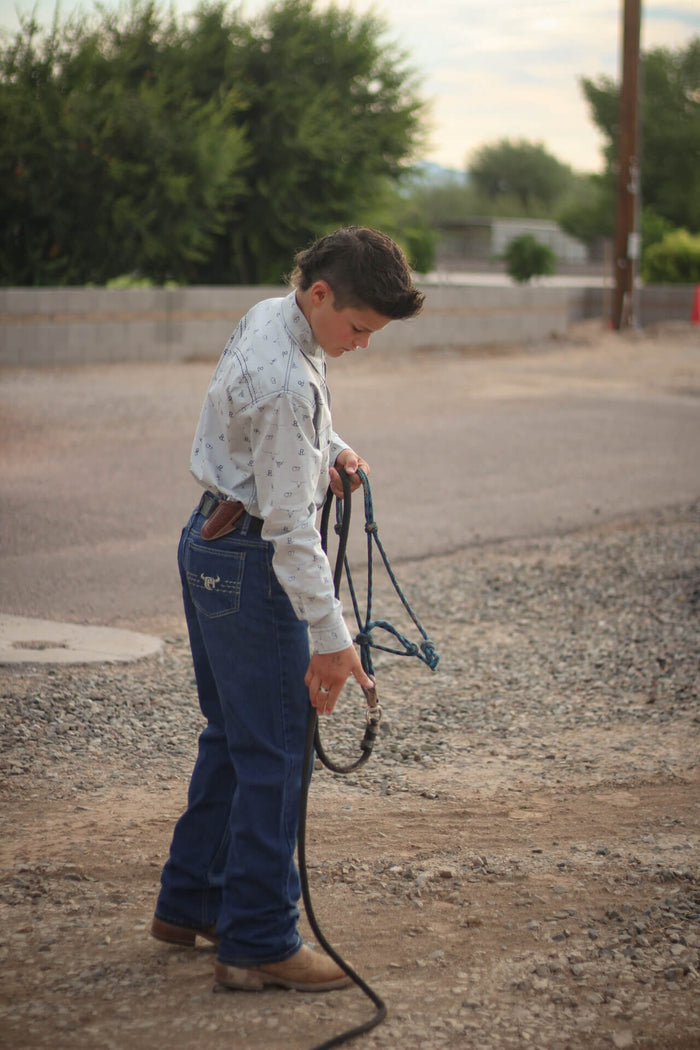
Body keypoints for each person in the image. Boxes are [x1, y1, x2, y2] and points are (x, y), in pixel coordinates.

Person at [151, 226, 424, 993]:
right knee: (275, 749)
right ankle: (260, 939)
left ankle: (191, 900)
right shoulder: (290, 383)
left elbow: (279, 429)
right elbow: (292, 533)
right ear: (322, 294)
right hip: (250, 563)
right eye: (360, 328)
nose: (363, 344)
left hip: (208, 543)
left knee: (234, 735)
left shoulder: (273, 316)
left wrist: (328, 445)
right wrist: (334, 642)